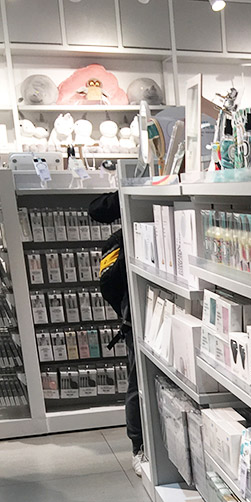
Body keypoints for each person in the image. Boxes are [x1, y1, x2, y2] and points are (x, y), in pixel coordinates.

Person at [88, 192, 144, 476]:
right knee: (137, 381)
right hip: (135, 316)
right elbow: (97, 209)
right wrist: (127, 191)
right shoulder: (121, 239)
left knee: (139, 380)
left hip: (139, 313)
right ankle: (138, 446)